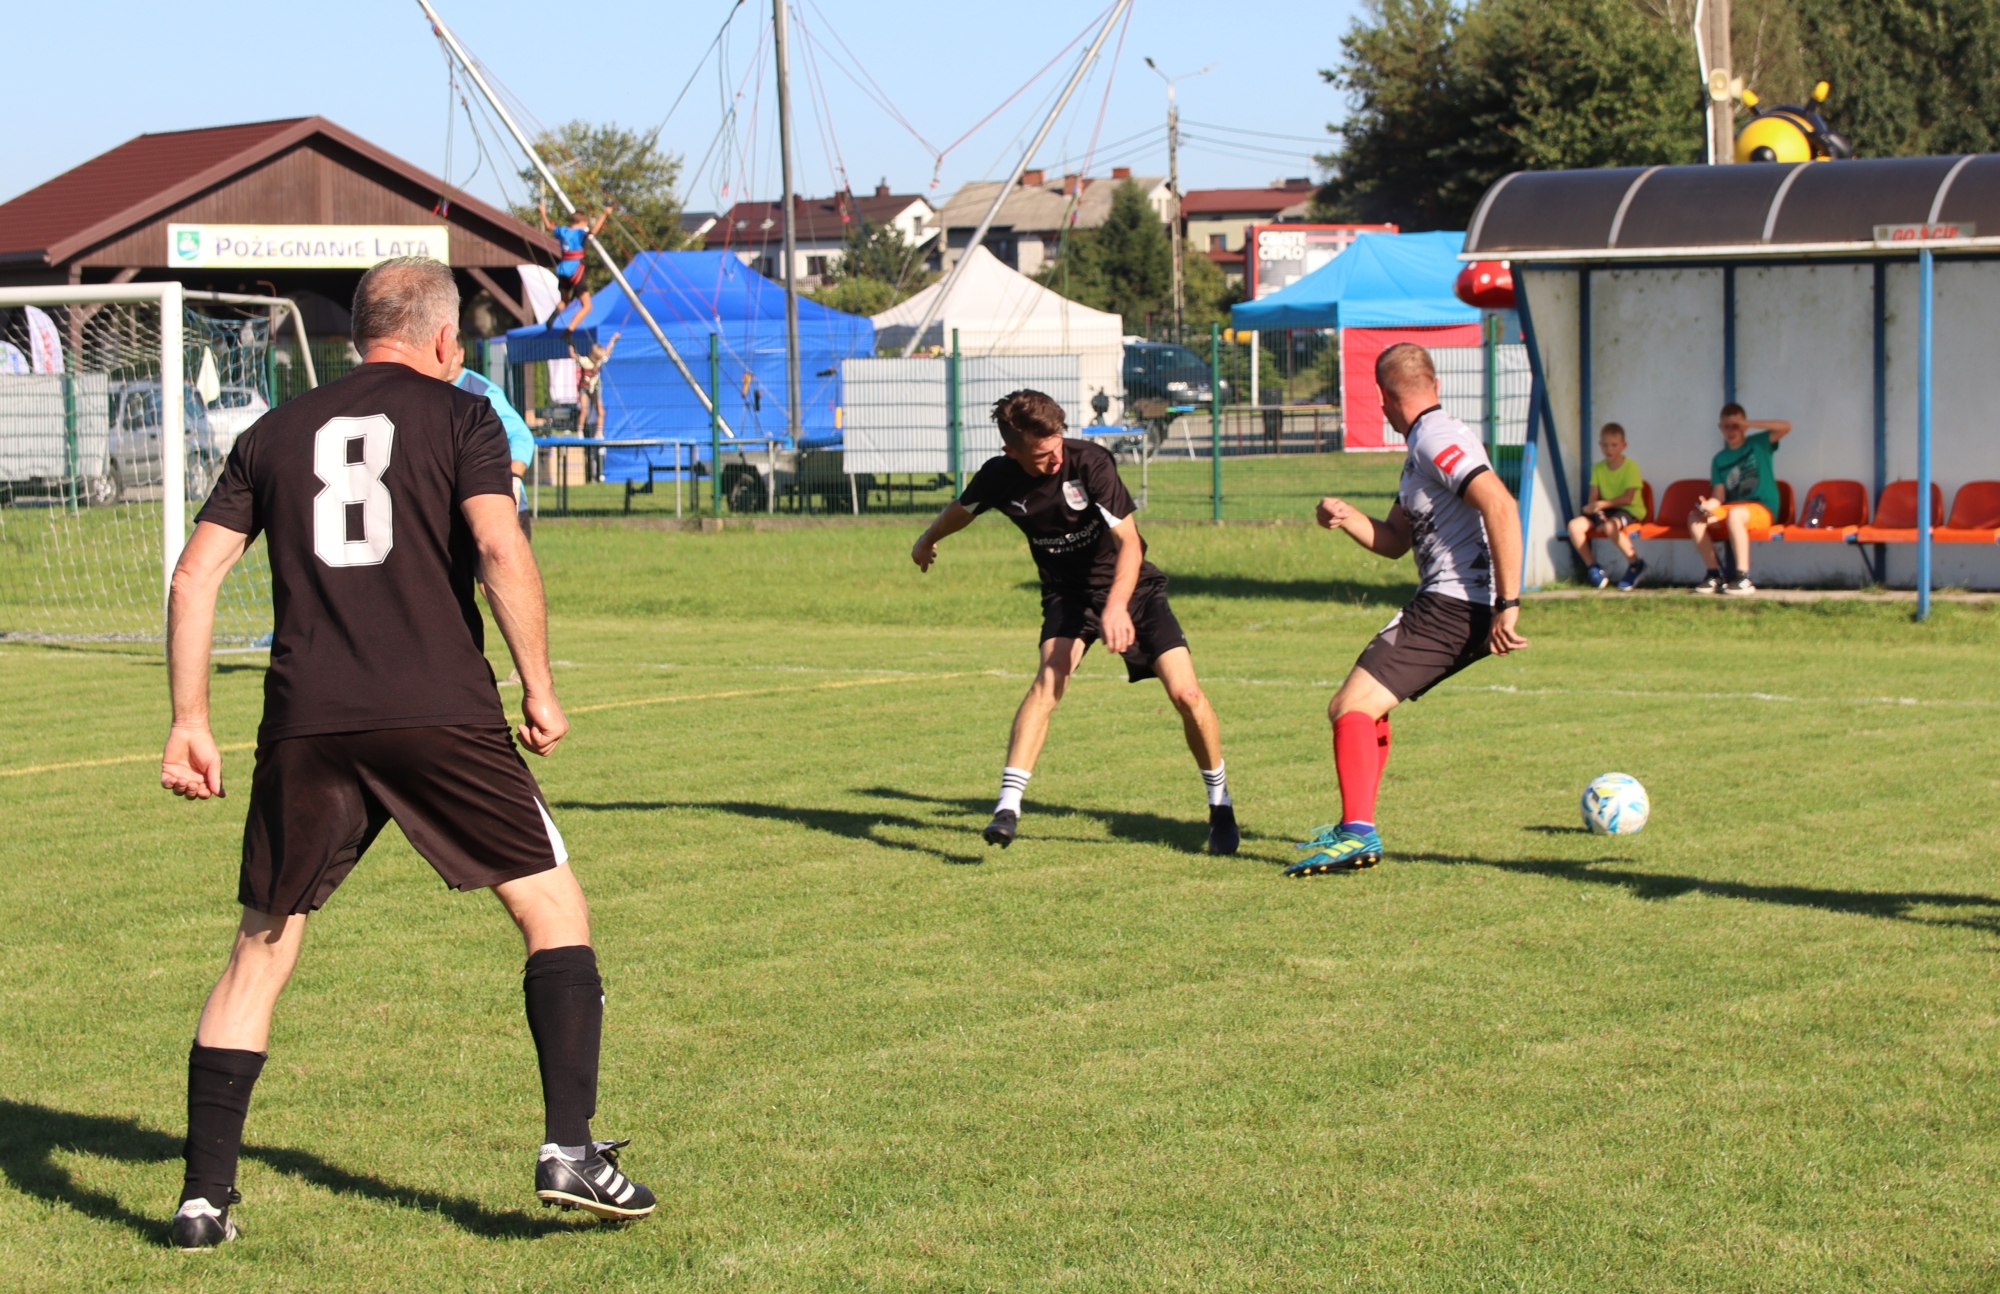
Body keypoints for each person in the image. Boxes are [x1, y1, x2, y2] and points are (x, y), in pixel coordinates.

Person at [158, 256, 653, 1250]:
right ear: (442, 340)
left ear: (356, 336)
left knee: (261, 947)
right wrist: (539, 684)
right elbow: (500, 548)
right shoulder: (464, 416)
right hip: (437, 708)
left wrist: (188, 719)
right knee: (551, 910)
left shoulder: (272, 431)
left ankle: (203, 1201)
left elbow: (194, 575)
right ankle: (568, 1148)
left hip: (306, 718)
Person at [910, 389, 1238, 855]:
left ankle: (1220, 804)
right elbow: (962, 510)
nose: (1055, 458)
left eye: (1058, 444)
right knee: (1048, 682)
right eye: (1042, 455)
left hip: (1132, 589)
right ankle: (1007, 808)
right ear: (1012, 452)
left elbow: (1130, 543)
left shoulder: (1091, 462)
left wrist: (1117, 605)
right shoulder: (999, 476)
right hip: (1068, 595)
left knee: (1187, 695)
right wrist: (926, 540)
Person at [1291, 343, 1526, 876]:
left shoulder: (1436, 439)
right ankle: (1355, 826)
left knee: (1350, 707)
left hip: (1454, 603)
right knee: (1365, 706)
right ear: (1434, 384)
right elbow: (1396, 541)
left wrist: (1508, 603)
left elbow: (1501, 504)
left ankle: (1357, 833)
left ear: (1382, 398)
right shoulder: (1427, 439)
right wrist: (1346, 516)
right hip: (1451, 600)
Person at [1689, 402, 1793, 595]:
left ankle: (1743, 578)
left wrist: (1748, 423)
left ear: (1744, 426)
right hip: (1733, 510)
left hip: (1761, 508)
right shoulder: (1719, 459)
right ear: (1720, 428)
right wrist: (1707, 505)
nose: (1731, 431)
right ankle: (1714, 574)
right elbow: (1718, 496)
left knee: (1735, 514)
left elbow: (1785, 427)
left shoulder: (1759, 443)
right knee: (1694, 518)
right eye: (1727, 426)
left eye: (1736, 426)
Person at [449, 349, 537, 538]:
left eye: (453, 354)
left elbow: (521, 436)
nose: (447, 360)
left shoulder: (484, 393)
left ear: (462, 354)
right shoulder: (428, 391)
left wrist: (513, 479)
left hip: (496, 501)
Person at [1566, 422, 1648, 591]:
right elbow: (1592, 499)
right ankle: (1593, 567)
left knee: (1610, 527)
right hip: (1607, 510)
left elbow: (1628, 498)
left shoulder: (1631, 467)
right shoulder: (1598, 468)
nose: (1609, 449)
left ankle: (1635, 564)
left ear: (1624, 446)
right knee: (1574, 526)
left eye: (1614, 445)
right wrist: (1598, 515)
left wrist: (1601, 506)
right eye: (1605, 445)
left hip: (1629, 509)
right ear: (1600, 445)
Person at [539, 200, 613, 327]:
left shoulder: (562, 231)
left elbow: (548, 226)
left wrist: (542, 212)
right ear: (582, 223)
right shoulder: (579, 233)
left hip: (563, 270)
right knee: (587, 306)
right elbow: (594, 231)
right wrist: (605, 214)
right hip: (575, 270)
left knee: (564, 301)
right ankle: (569, 330)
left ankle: (553, 317)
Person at [568, 332, 621, 484]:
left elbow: (608, 351)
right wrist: (571, 343)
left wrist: (613, 339)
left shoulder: (599, 361)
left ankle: (599, 432)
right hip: (585, 388)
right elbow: (573, 355)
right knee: (584, 409)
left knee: (601, 411)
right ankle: (579, 431)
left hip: (594, 388)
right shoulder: (585, 361)